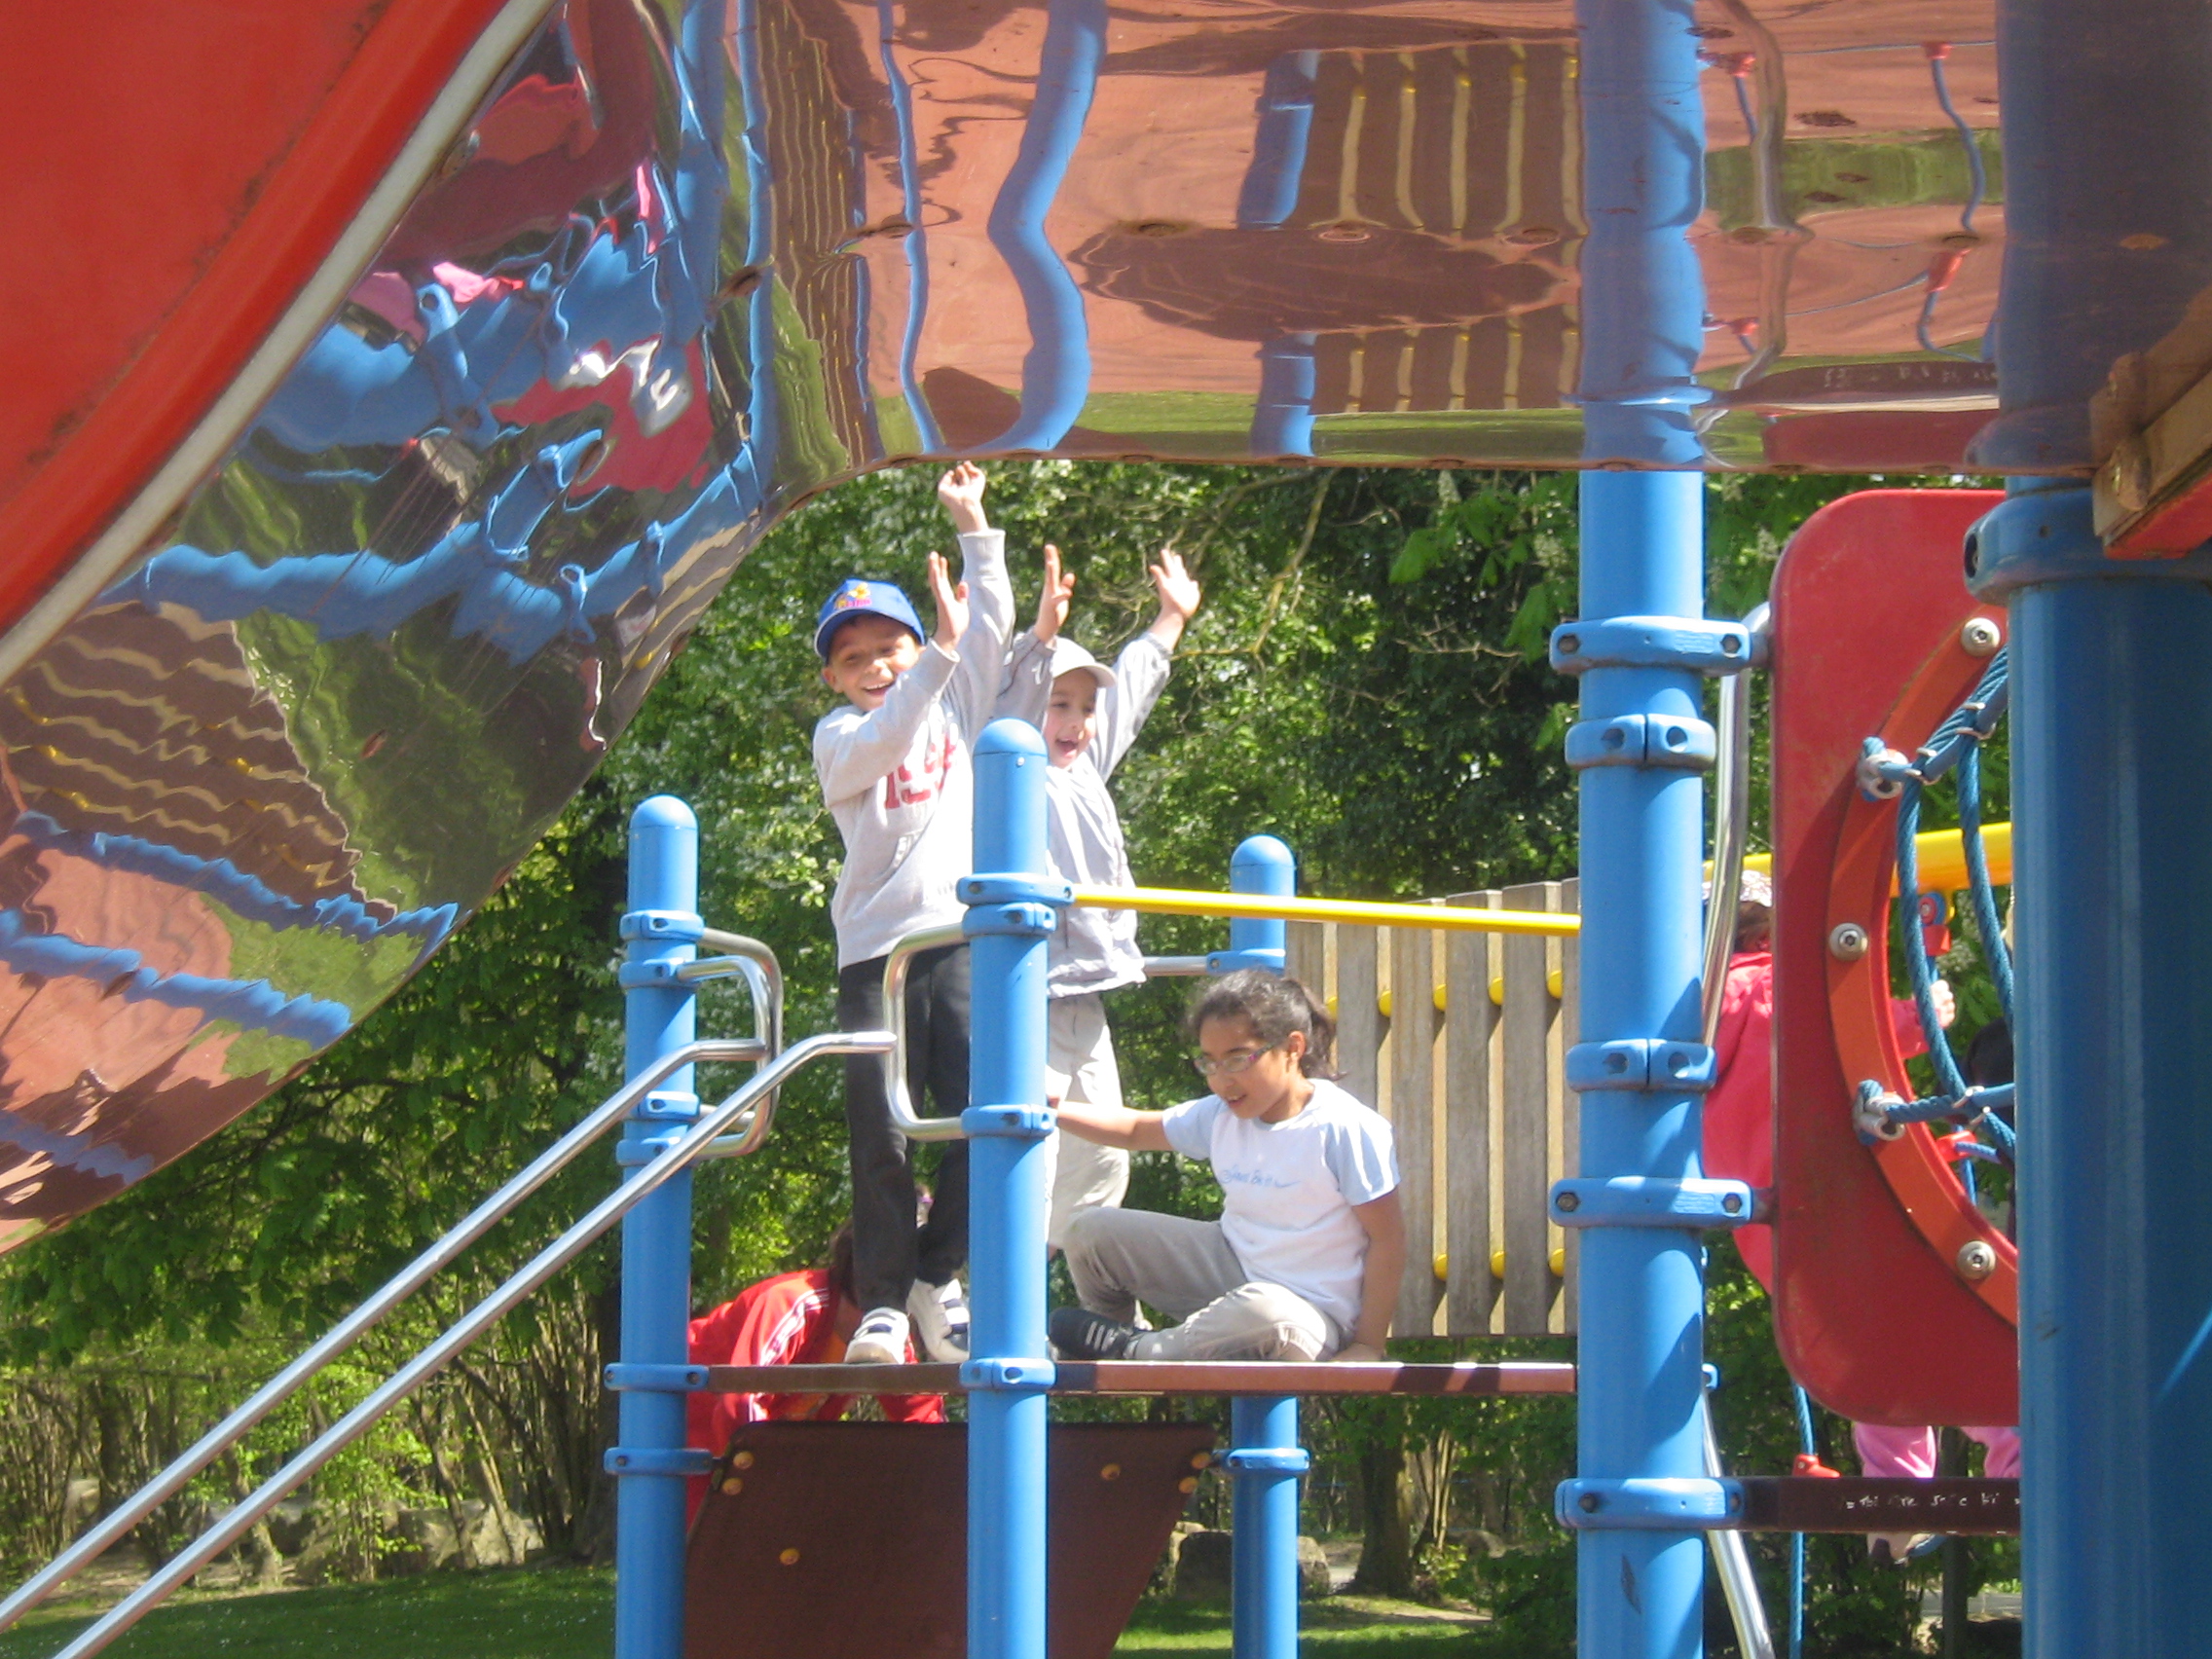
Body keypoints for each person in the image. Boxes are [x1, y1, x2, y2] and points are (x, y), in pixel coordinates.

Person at [813, 461, 1014, 1363]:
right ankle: (885, 1302)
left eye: (888, 648)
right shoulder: (839, 738)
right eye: (853, 658)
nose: (875, 667)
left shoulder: (953, 703)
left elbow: (989, 629)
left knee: (981, 1115)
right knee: (883, 1134)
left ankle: (939, 1270)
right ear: (832, 678)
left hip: (956, 942)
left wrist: (973, 523)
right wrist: (932, 656)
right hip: (875, 956)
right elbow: (885, 740)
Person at [997, 543, 1202, 1249]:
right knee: (1030, 1146)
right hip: (1028, 987)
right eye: (1059, 704)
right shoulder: (1011, 768)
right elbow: (1008, 701)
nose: (1076, 721)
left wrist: (1171, 620)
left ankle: (1078, 1281)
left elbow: (1133, 689)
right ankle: (999, 1285)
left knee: (1104, 1158)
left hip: (1085, 992)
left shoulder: (1084, 766)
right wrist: (1040, 636)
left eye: (1085, 708)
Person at [1046, 970, 1406, 1364]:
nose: (1222, 1081)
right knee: (1089, 1230)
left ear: (1293, 1048)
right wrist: (1051, 1110)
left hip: (1309, 1315)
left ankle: (1137, 1352)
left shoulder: (1343, 1127)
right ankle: (1111, 1339)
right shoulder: (1221, 1115)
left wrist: (1368, 1345)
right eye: (1210, 1063)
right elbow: (1134, 1129)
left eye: (1238, 1060)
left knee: (1267, 1313)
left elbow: (1387, 1239)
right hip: (1232, 1270)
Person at [1702, 867, 1953, 1289]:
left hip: (1757, 1212)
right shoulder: (1777, 986)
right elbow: (1851, 1027)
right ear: (1765, 939)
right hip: (1823, 1180)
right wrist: (1921, 1014)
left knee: (1804, 1290)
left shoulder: (1694, 1014)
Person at [683, 1225, 945, 1522]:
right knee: (703, 1541)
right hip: (684, 1427)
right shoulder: (793, 1302)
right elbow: (741, 1402)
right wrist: (775, 1489)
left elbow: (923, 1422)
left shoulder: (887, 1337)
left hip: (746, 1448)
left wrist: (942, 1487)